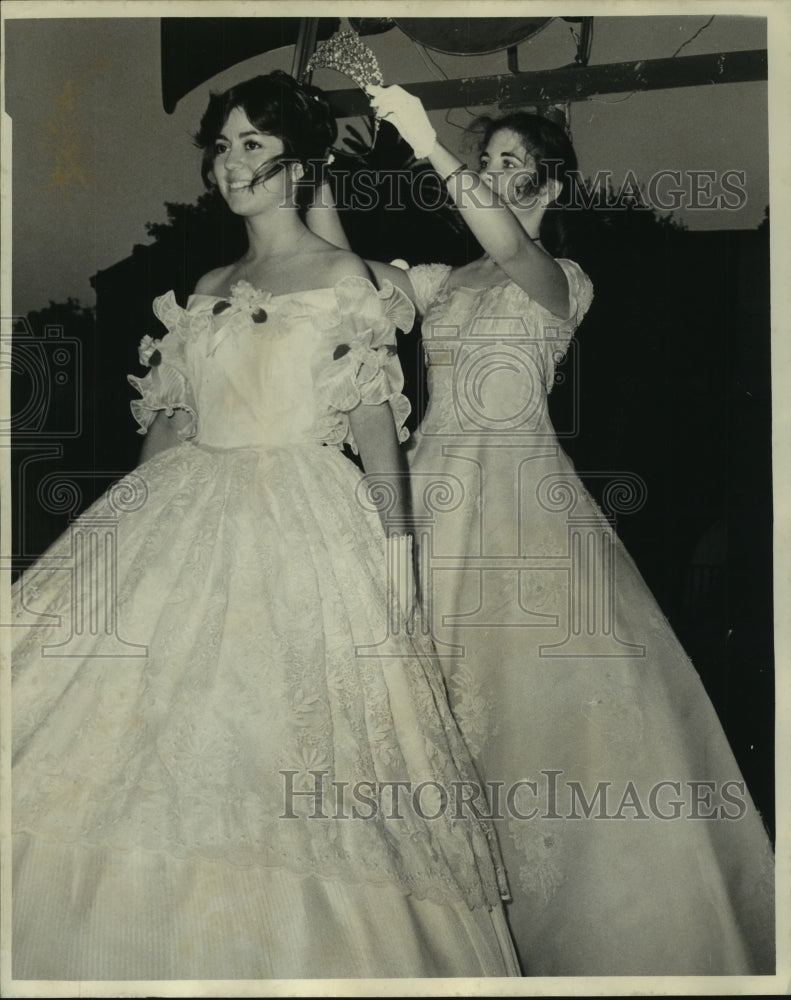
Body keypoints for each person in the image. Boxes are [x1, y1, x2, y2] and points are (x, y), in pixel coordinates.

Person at [10, 71, 522, 980]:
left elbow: (375, 427)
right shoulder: (208, 284)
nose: (230, 163)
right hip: (186, 513)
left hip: (303, 520)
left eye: (252, 145)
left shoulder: (344, 281)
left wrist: (397, 547)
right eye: (222, 145)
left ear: (301, 164)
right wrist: (117, 549)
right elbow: (170, 424)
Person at [312, 83, 776, 976]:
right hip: (431, 483)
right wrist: (327, 173)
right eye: (487, 163)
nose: (492, 176)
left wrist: (428, 148)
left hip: (517, 495)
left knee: (529, 707)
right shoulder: (446, 281)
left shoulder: (557, 279)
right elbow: (345, 274)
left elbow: (504, 238)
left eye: (511, 165)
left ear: (549, 187)